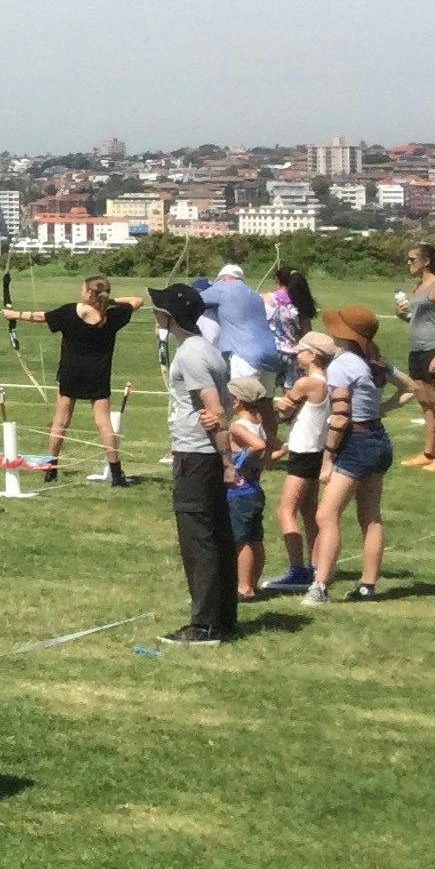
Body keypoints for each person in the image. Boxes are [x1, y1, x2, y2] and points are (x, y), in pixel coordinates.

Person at [154, 284, 238, 645]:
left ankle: (203, 625)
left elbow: (214, 411)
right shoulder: (207, 348)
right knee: (218, 534)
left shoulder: (190, 354)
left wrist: (227, 461)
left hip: (196, 456)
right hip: (202, 455)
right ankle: (223, 617)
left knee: (198, 539)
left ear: (170, 317)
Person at [5, 273, 142, 486]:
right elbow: (137, 301)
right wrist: (108, 302)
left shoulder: (72, 311)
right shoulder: (113, 316)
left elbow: (42, 317)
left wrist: (15, 314)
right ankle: (116, 474)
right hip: (98, 374)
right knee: (104, 423)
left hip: (71, 373)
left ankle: (51, 469)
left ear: (89, 293)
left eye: (83, 290)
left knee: (60, 422)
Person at [313, 305, 398, 602]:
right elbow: (413, 388)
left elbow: (339, 417)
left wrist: (327, 460)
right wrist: (381, 409)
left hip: (356, 443)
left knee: (326, 514)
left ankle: (320, 586)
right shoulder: (372, 362)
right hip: (378, 439)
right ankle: (368, 585)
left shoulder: (341, 365)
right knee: (371, 516)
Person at [259, 331, 336, 594]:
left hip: (303, 453)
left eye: (300, 352)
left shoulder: (307, 383)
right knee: (308, 511)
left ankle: (297, 571)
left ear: (313, 355)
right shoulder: (329, 381)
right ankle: (315, 566)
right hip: (316, 450)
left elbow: (282, 410)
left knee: (285, 511)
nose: (296, 357)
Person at [202, 262, 289, 443]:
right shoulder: (252, 294)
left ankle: (243, 446)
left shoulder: (223, 288)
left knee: (241, 402)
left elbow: (195, 300)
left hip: (245, 353)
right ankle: (271, 445)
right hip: (270, 353)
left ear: (224, 278)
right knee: (265, 403)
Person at [393, 244, 435, 471]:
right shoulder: (418, 287)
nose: (409, 263)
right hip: (417, 349)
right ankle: (429, 452)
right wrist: (402, 315)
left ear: (426, 261)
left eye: (413, 259)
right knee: (424, 402)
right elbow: (417, 319)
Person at [222, 372, 272, 606]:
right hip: (254, 489)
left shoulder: (237, 427)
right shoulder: (257, 422)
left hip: (239, 493)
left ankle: (243, 588)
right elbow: (271, 446)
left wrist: (240, 459)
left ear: (238, 401)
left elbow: (259, 445)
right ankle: (252, 582)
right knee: (254, 538)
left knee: (241, 540)